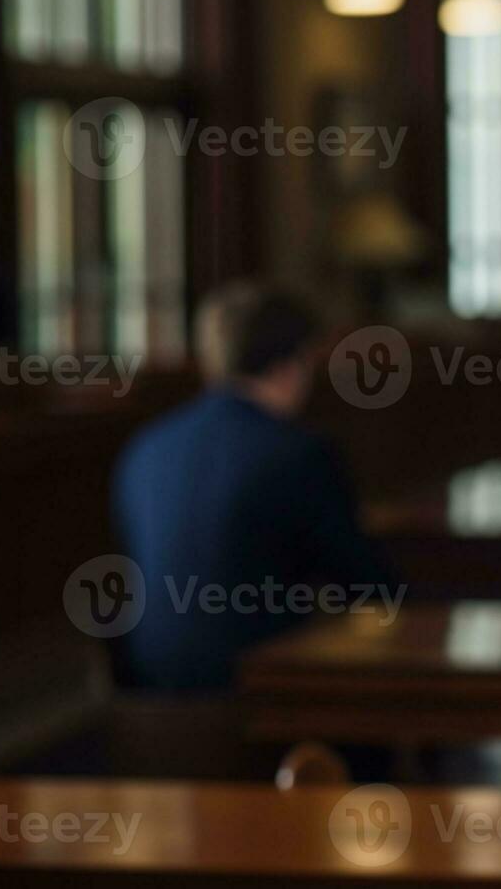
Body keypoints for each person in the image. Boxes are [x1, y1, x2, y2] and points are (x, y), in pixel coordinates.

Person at [111, 283, 393, 690]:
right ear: (292, 364)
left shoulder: (144, 448)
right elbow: (370, 587)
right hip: (259, 703)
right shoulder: (300, 455)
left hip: (148, 706)